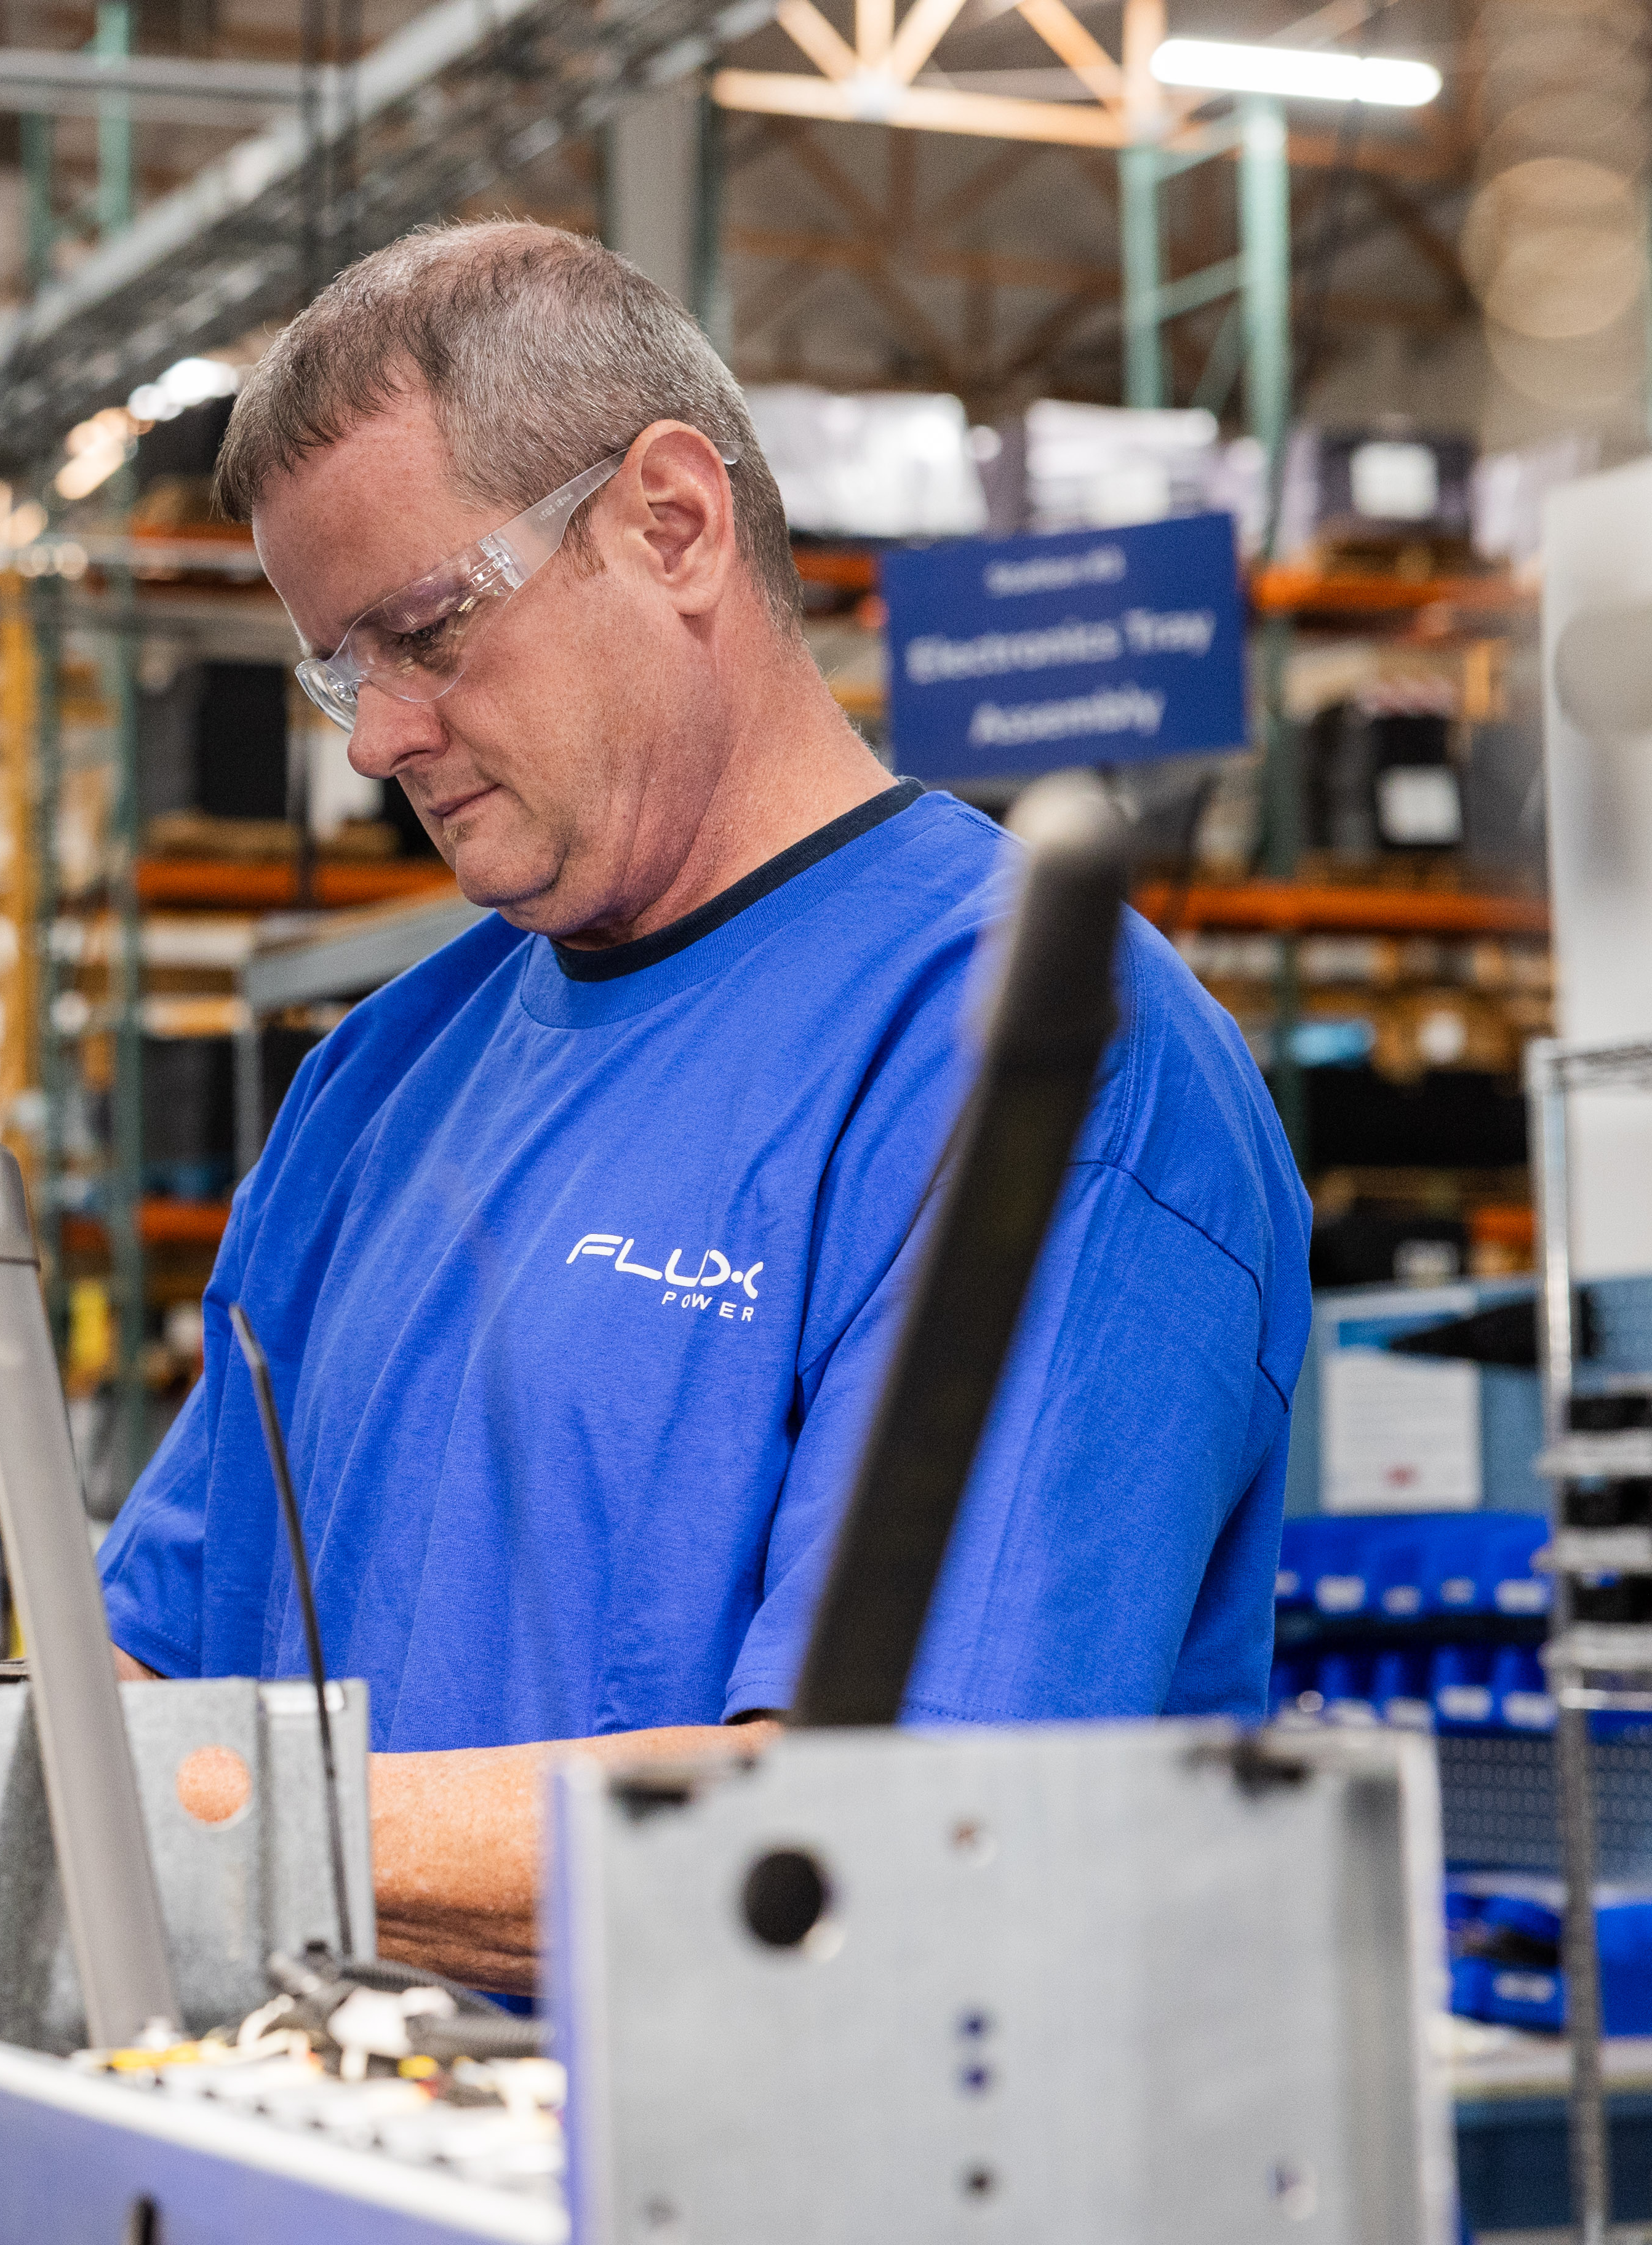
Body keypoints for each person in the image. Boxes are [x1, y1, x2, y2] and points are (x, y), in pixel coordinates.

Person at [94, 220, 1310, 1993]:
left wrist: (184, 1823)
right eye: (341, 668)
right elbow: (151, 1649)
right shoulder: (381, 1078)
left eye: (426, 628)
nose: (375, 741)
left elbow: (875, 1832)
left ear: (671, 522)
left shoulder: (1037, 1068)